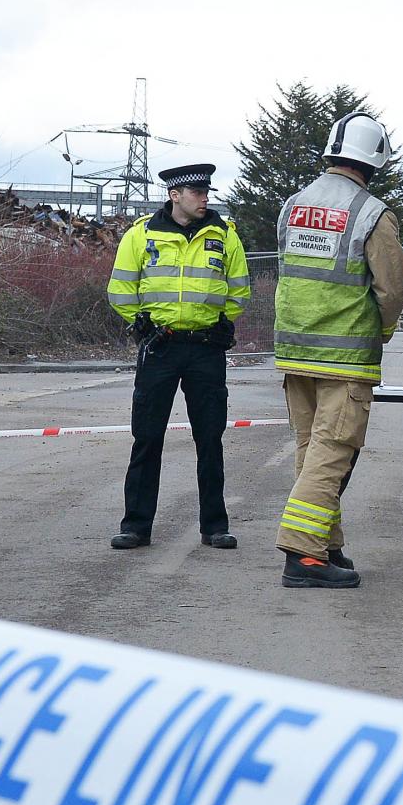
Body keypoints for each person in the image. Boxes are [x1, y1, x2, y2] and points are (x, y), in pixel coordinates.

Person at [273, 113, 403, 587]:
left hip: (294, 351)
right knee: (333, 452)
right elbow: (390, 289)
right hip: (345, 356)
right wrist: (384, 331)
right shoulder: (372, 213)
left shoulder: (293, 205)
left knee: (312, 450)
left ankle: (326, 543)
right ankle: (303, 555)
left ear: (332, 152)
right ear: (375, 162)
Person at [107, 160, 251, 550]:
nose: (205, 198)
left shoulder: (225, 236)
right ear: (175, 195)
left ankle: (214, 526)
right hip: (160, 347)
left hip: (206, 348)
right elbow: (120, 288)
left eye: (206, 192)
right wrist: (139, 321)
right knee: (147, 438)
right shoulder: (141, 235)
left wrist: (222, 320)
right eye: (197, 192)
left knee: (210, 438)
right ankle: (136, 526)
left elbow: (239, 290)